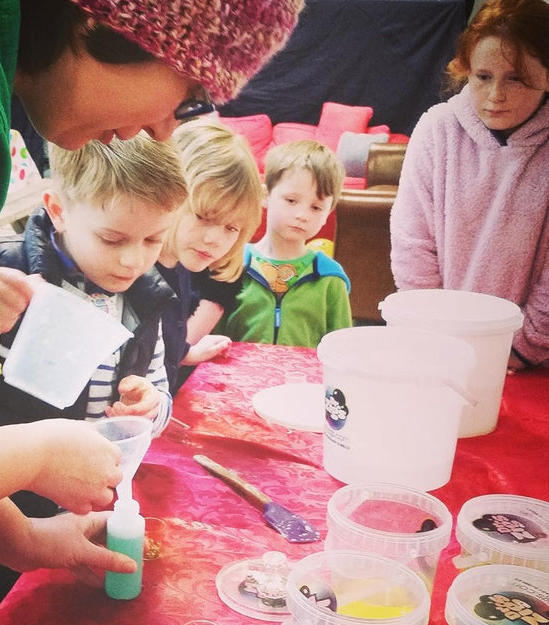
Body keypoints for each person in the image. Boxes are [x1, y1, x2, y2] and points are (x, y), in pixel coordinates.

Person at [0, 0, 303, 574]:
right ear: (109, 23)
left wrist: (22, 540)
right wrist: (37, 454)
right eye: (189, 97)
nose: (162, 129)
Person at [0, 133, 186, 625]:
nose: (134, 259)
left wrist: (149, 405)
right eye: (113, 239)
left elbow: (158, 385)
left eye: (153, 241)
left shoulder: (145, 298)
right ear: (59, 209)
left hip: (85, 510)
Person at [390, 0, 549, 370]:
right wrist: (430, 331)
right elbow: (413, 243)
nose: (496, 96)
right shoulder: (437, 130)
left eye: (516, 78)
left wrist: (523, 348)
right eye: (483, 77)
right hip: (435, 349)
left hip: (533, 360)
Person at [155, 119, 264, 393]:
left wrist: (183, 352)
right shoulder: (134, 268)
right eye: (203, 216)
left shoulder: (180, 268)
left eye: (230, 227)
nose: (214, 239)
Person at [218, 140, 352, 346]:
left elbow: (343, 349)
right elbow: (211, 340)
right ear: (266, 196)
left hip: (304, 378)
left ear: (328, 214)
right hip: (239, 376)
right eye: (291, 201)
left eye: (316, 207)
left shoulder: (330, 278)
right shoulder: (232, 264)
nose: (302, 215)